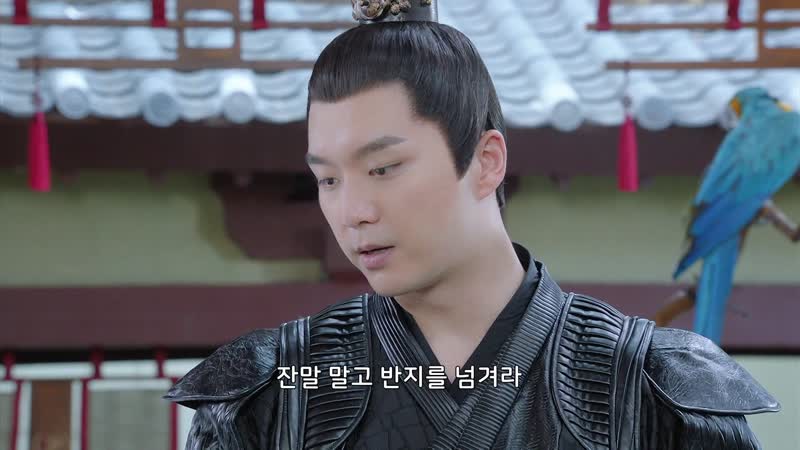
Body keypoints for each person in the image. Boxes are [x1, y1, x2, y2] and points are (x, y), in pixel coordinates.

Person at [165, 1, 780, 448]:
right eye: (328, 179)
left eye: (383, 168)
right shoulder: (274, 391)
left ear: (486, 162)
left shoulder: (649, 388)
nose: (353, 212)